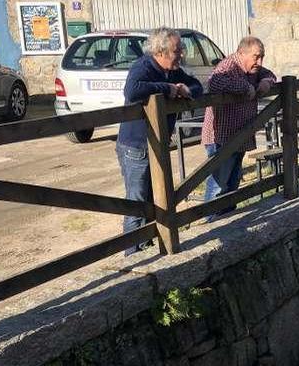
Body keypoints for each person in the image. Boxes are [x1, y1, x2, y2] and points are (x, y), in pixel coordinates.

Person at [117, 27, 203, 255]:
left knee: (157, 199)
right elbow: (132, 91)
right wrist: (168, 89)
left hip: (157, 145)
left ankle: (147, 246)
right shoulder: (143, 66)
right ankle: (132, 255)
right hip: (136, 146)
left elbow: (197, 87)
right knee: (137, 202)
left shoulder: (172, 71)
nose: (182, 54)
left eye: (181, 49)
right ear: (160, 51)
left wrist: (184, 89)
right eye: (177, 50)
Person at [201, 37, 276, 221]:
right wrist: (244, 87)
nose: (259, 62)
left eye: (262, 57)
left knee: (232, 182)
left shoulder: (252, 67)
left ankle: (228, 219)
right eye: (256, 57)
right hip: (221, 136)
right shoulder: (228, 66)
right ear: (241, 53)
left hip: (239, 134)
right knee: (219, 183)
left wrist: (266, 81)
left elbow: (270, 74)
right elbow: (214, 83)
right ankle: (211, 223)